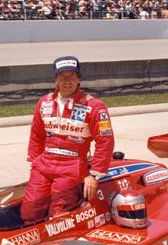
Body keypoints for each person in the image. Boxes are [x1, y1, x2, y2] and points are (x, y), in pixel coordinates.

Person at [20, 56, 114, 224]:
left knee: (59, 215)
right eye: (62, 77)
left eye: (72, 76)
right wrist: (35, 162)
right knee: (30, 211)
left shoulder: (95, 106)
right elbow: (36, 135)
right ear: (56, 79)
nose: (67, 81)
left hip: (72, 166)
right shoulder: (44, 102)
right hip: (44, 165)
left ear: (79, 79)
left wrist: (94, 175)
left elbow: (105, 142)